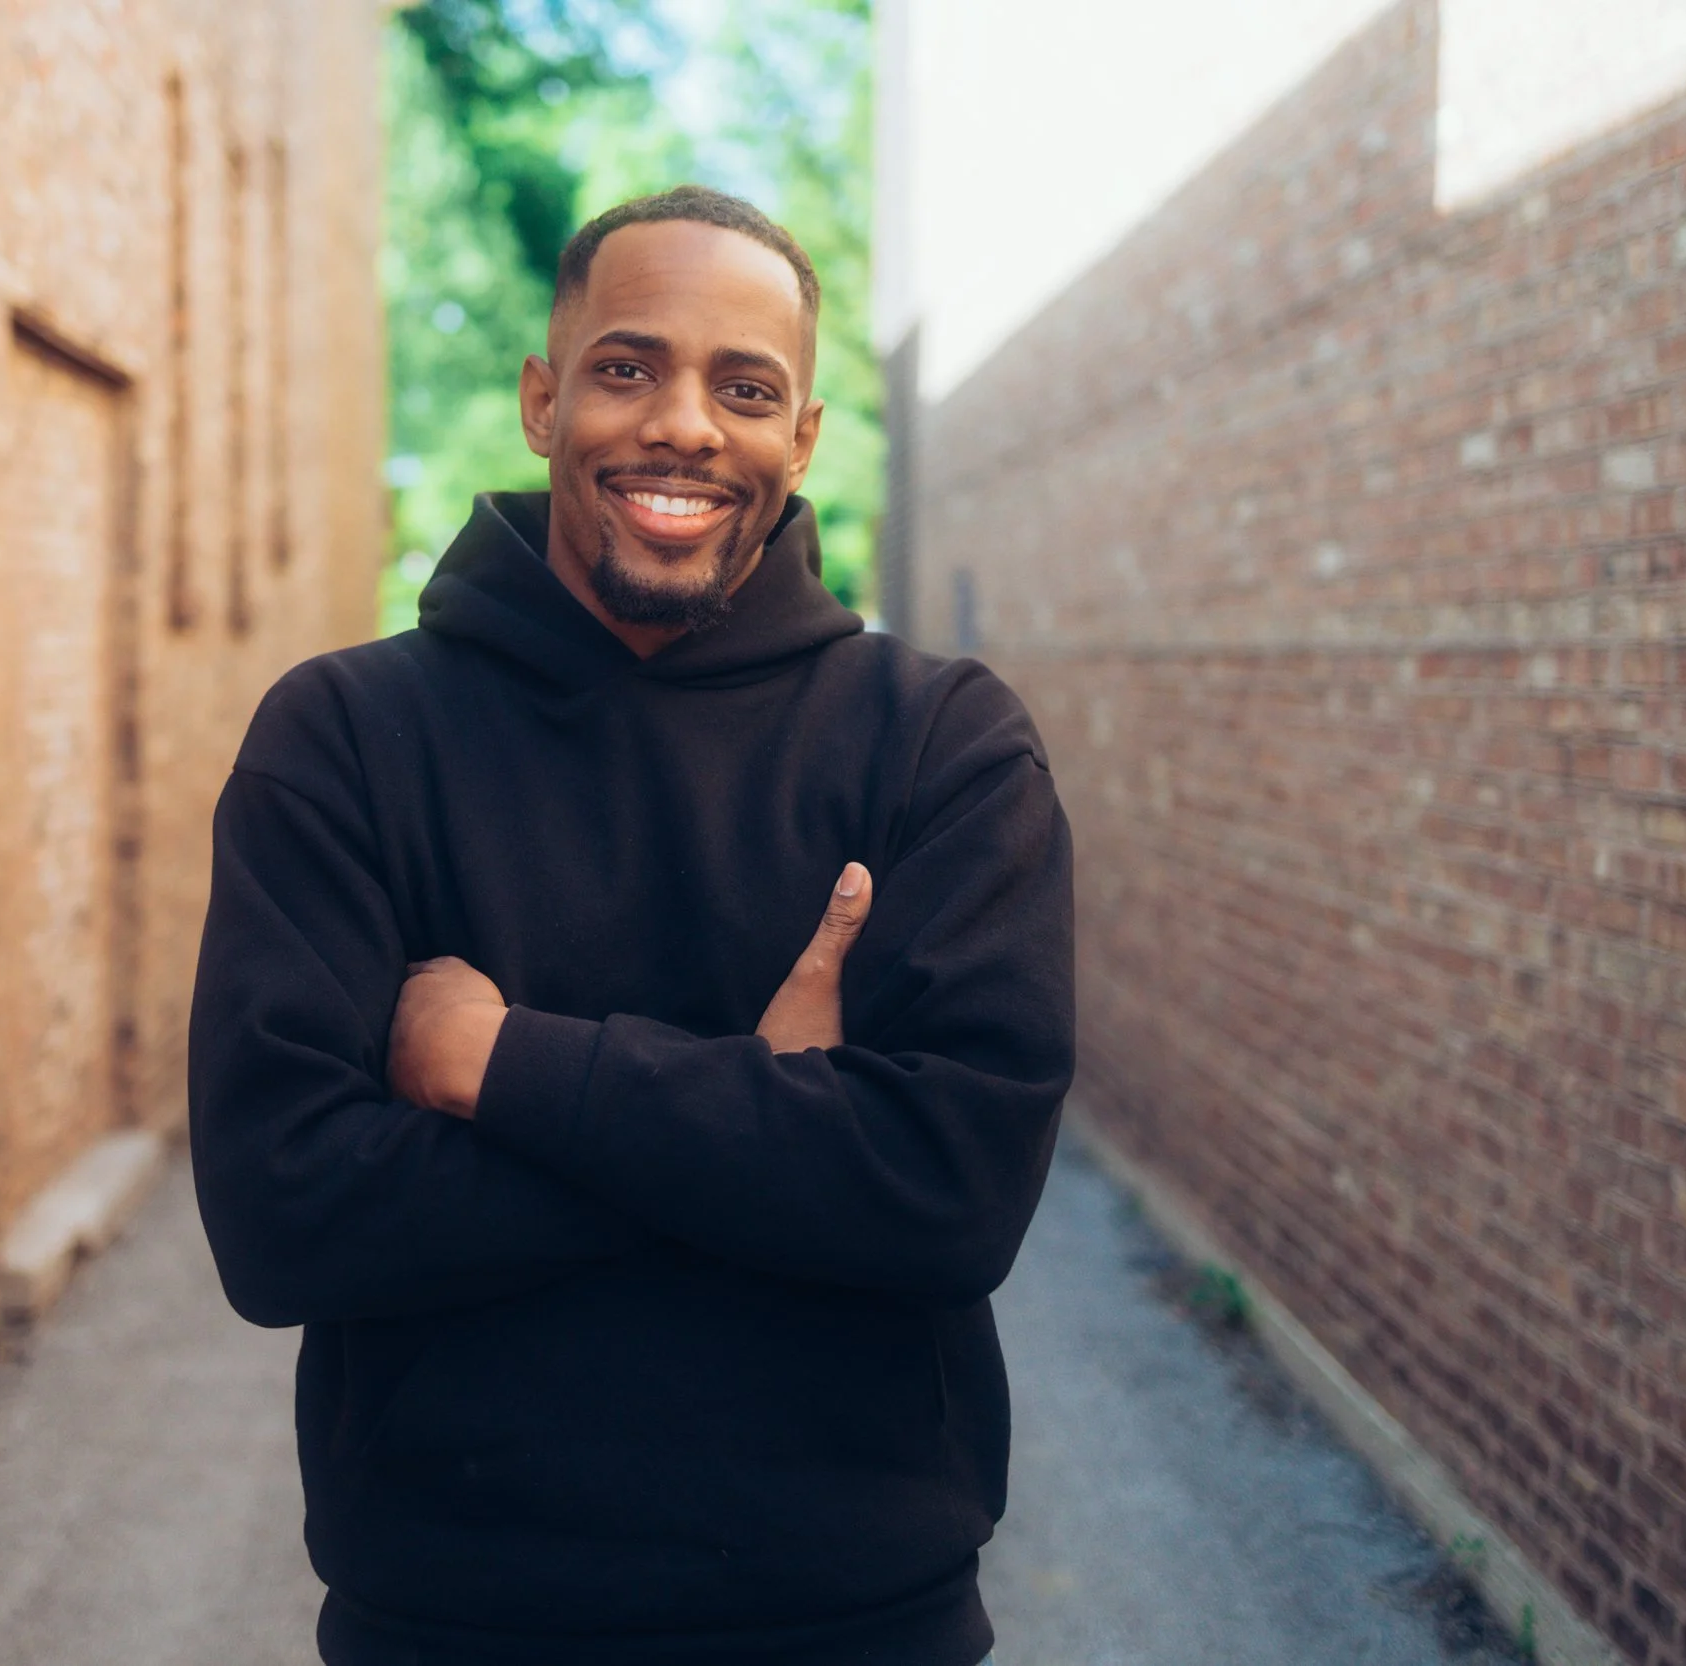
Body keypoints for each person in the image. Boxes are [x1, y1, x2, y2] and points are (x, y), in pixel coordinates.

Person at [190, 184, 1075, 1666]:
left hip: (858, 1626)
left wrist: (500, 1069)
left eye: (745, 387)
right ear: (545, 401)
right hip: (453, 1622)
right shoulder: (346, 737)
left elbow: (952, 1191)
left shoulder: (940, 744)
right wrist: (762, 1102)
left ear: (801, 437)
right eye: (626, 367)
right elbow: (285, 1219)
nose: (683, 423)